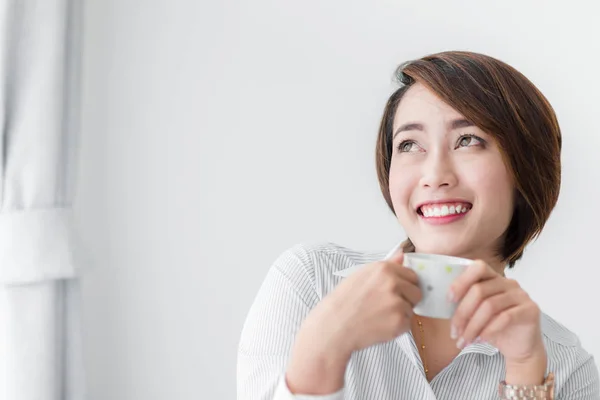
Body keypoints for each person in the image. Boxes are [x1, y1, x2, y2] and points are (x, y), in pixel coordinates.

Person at [236, 51, 600, 399]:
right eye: (409, 144)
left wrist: (525, 373)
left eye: (468, 140)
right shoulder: (310, 281)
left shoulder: (567, 365)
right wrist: (322, 350)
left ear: (525, 170)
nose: (434, 175)